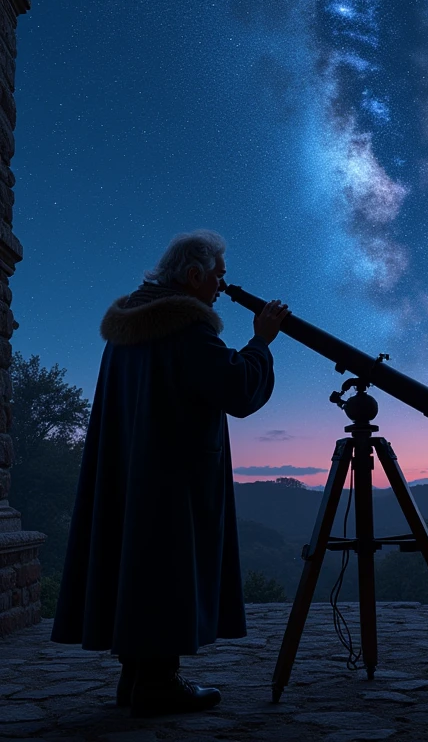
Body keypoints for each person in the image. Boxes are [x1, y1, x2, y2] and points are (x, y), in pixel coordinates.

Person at [50, 230, 290, 718]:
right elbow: (238, 388)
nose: (222, 287)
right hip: (173, 474)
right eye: (218, 277)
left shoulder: (130, 328)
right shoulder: (185, 328)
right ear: (195, 275)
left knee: (139, 565)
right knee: (166, 566)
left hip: (132, 469)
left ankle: (137, 678)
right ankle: (158, 683)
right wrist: (261, 342)